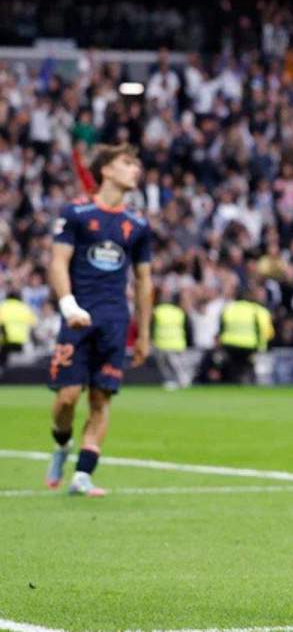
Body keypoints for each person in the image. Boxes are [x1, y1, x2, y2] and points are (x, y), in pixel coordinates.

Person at [45, 144, 153, 497]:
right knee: (66, 398)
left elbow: (144, 281)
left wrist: (143, 334)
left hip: (114, 320)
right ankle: (62, 444)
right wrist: (68, 306)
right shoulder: (76, 213)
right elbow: (58, 263)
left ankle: (83, 475)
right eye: (127, 162)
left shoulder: (137, 224)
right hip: (78, 317)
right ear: (105, 169)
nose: (135, 169)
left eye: (136, 164)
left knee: (100, 399)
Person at [217, 291, 265, 385]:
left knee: (232, 367)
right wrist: (260, 346)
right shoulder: (253, 309)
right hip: (248, 344)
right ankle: (249, 383)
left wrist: (221, 342)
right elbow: (259, 329)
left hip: (230, 343)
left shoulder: (228, 308)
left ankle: (232, 384)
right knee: (247, 366)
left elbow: (221, 326)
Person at [151, 293, 191, 389]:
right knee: (177, 365)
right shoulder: (179, 312)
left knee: (165, 366)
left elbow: (151, 326)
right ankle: (182, 381)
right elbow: (187, 328)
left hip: (161, 343)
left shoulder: (157, 311)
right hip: (177, 343)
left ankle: (171, 381)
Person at [0, 290, 37, 372]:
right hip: (22, 341)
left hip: (5, 341)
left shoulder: (2, 306)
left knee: (3, 363)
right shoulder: (25, 307)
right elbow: (33, 325)